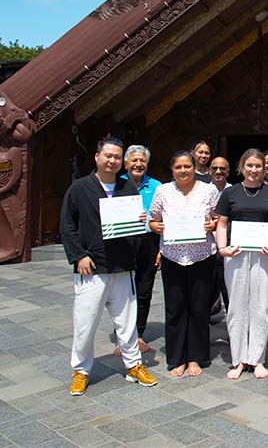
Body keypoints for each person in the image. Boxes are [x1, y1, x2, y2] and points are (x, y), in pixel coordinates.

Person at [60, 136, 157, 396]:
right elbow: (67, 226)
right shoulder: (80, 188)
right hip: (91, 267)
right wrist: (78, 255)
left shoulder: (128, 189)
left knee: (127, 322)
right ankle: (81, 370)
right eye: (108, 156)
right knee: (85, 321)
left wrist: (140, 220)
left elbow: (136, 230)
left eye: (117, 157)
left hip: (123, 266)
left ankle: (134, 364)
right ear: (97, 157)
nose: (112, 161)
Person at [215, 149, 268, 380]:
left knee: (261, 305)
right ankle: (238, 359)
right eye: (250, 165)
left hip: (264, 254)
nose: (254, 170)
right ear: (242, 167)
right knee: (236, 306)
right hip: (236, 254)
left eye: (258, 166)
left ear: (264, 169)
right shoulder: (230, 193)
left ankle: (257, 358)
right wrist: (222, 248)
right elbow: (222, 224)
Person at [148, 151, 220, 377]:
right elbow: (153, 218)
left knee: (199, 307)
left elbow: (218, 218)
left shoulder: (208, 190)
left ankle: (196, 357)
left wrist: (214, 225)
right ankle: (177, 357)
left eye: (187, 166)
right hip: (173, 257)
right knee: (175, 308)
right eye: (178, 167)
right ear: (172, 169)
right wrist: (154, 227)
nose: (183, 171)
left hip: (201, 255)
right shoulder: (163, 191)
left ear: (194, 167)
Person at [113, 144, 161, 356]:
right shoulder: (115, 184)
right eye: (134, 160)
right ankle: (123, 338)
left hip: (149, 243)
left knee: (144, 289)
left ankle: (139, 334)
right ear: (125, 163)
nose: (138, 164)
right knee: (121, 290)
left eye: (142, 161)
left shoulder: (157, 186)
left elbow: (162, 218)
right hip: (123, 242)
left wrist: (161, 249)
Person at [209, 157, 231, 320]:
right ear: (209, 171)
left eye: (222, 168)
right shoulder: (201, 191)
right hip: (207, 247)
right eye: (215, 168)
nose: (218, 171)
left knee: (229, 290)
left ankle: (233, 330)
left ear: (228, 172)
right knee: (207, 291)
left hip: (229, 246)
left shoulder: (235, 191)